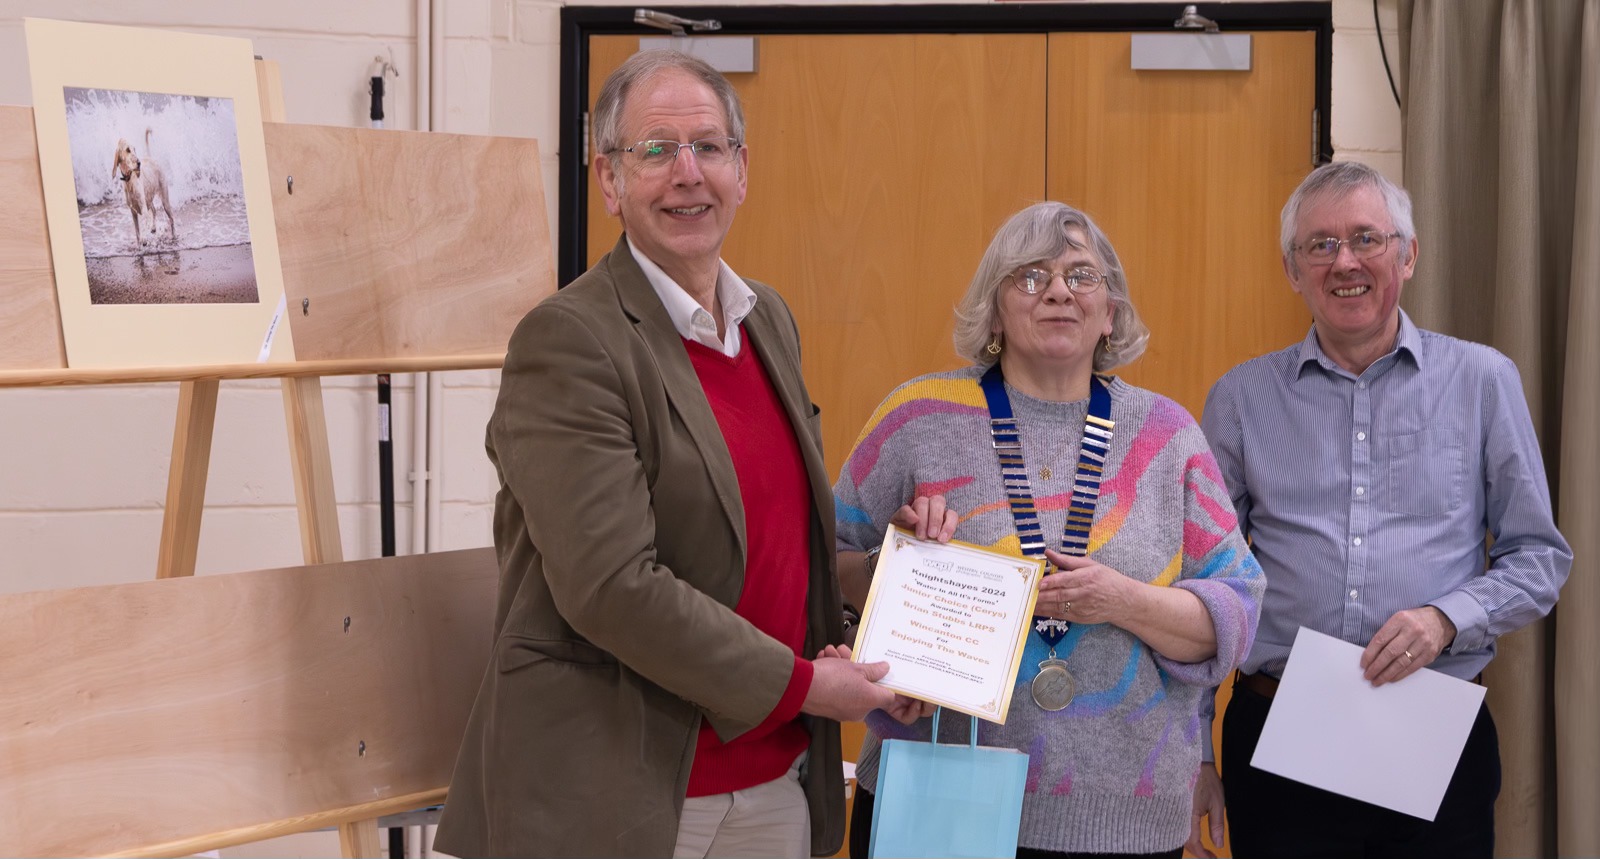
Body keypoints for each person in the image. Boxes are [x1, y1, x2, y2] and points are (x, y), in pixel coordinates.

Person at [434, 51, 924, 859]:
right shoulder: (569, 340)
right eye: (655, 151)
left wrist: (883, 575)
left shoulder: (768, 320)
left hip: (773, 785)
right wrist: (807, 685)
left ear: (742, 169)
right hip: (618, 798)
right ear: (608, 180)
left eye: (709, 147)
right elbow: (612, 586)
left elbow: (757, 548)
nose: (686, 174)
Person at [834, 201, 1265, 859]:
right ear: (995, 308)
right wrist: (892, 567)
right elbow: (820, 565)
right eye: (1031, 275)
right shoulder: (917, 417)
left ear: (1110, 311)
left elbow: (1236, 610)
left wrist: (1118, 599)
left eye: (1081, 275)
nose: (1059, 290)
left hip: (1126, 813)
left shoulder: (1168, 436)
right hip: (937, 800)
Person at [1192, 160, 1573, 858]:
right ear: (1291, 268)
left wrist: (1445, 617)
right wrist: (1196, 755)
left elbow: (1540, 558)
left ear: (1409, 253)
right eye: (1321, 244)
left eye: (1368, 237)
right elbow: (1203, 590)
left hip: (1430, 735)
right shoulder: (1241, 399)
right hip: (1278, 736)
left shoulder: (1483, 381)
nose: (1346, 262)